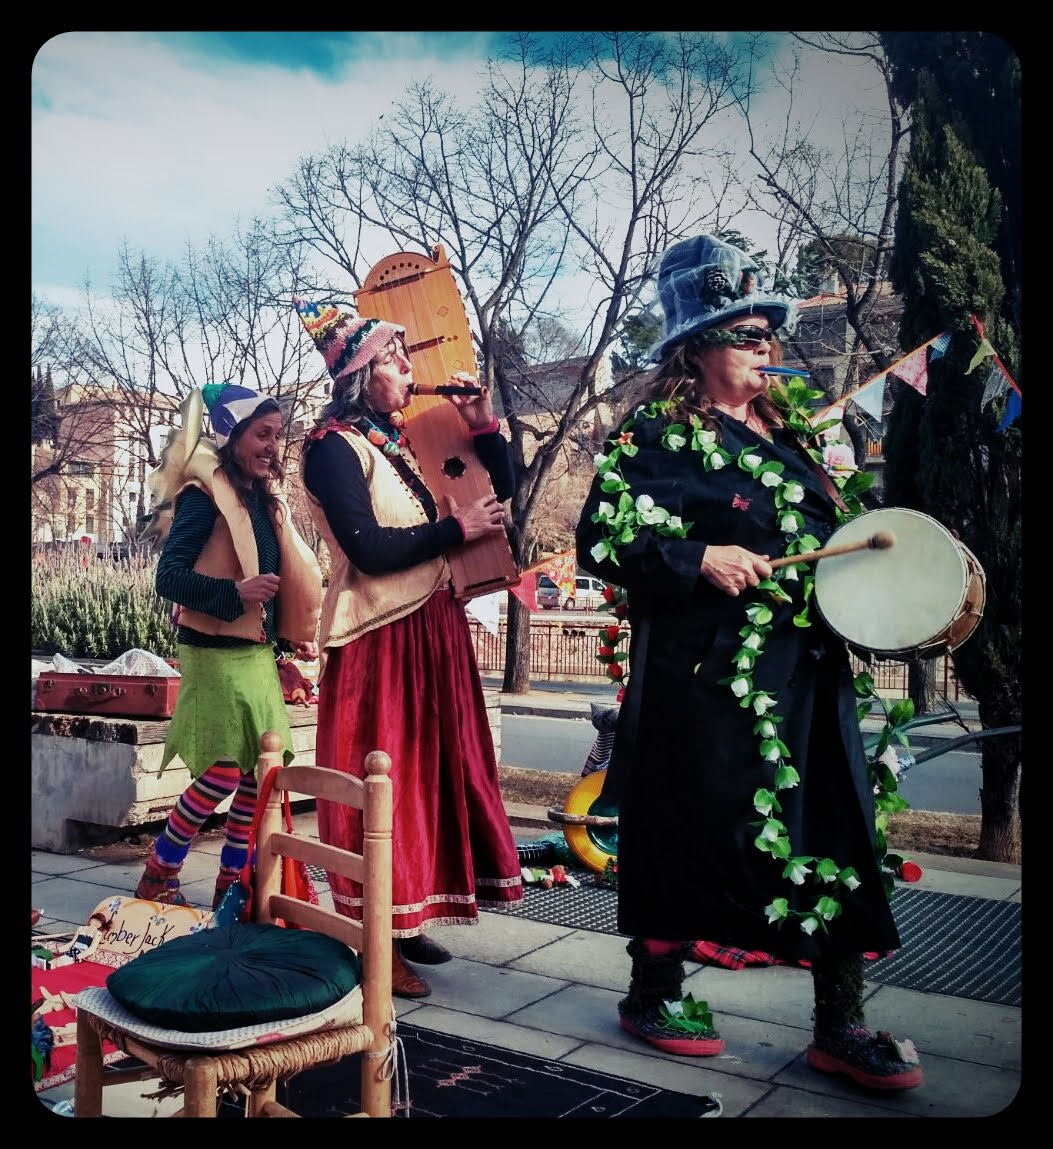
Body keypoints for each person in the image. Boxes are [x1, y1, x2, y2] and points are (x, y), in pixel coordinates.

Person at [574, 234, 924, 1092]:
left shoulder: (792, 432)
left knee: (836, 822)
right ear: (696, 346)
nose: (765, 343)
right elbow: (601, 538)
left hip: (807, 671)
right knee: (689, 829)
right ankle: (653, 993)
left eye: (767, 328)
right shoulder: (657, 433)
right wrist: (698, 557)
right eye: (744, 331)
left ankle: (838, 1022)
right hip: (704, 682)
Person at [294, 296, 524, 999]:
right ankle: (373, 938)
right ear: (362, 374)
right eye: (393, 358)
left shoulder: (409, 437)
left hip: (432, 627)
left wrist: (483, 428)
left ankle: (407, 911)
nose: (406, 367)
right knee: (383, 790)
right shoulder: (333, 447)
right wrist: (455, 532)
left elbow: (502, 489)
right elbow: (365, 548)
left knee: (429, 781)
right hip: (379, 641)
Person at [135, 382, 322, 910]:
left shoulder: (260, 501)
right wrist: (232, 593)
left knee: (254, 781)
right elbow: (168, 578)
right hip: (212, 655)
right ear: (231, 436)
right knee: (223, 769)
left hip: (253, 658)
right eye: (262, 434)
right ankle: (159, 871)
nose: (272, 446)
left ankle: (230, 887)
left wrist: (282, 659)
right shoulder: (203, 497)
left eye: (277, 435)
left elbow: (266, 600)